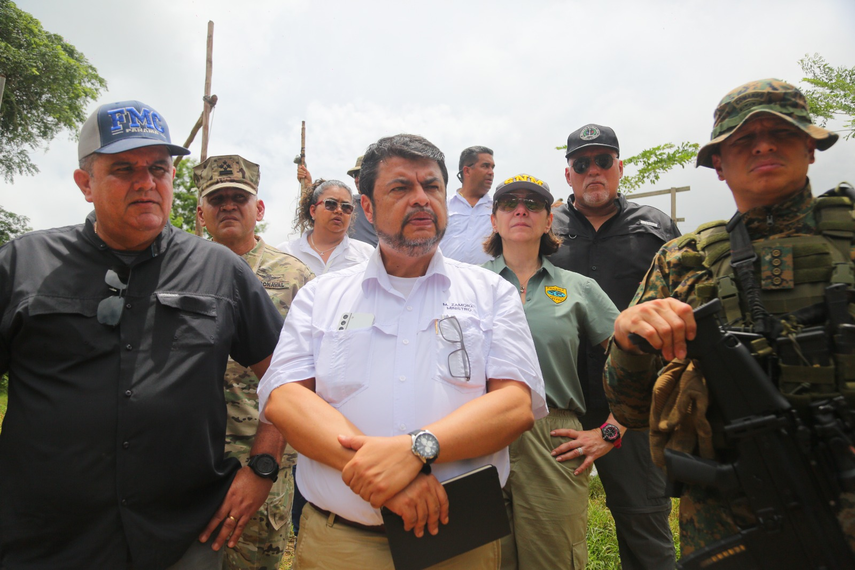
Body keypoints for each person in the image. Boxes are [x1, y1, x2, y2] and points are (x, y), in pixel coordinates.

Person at [0, 101, 287, 569]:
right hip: (46, 537)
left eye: (159, 168)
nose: (147, 183)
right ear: (84, 183)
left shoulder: (220, 270)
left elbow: (286, 372)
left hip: (184, 534)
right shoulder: (23, 265)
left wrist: (262, 468)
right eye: (124, 169)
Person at [257, 134, 547, 570]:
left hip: (457, 540)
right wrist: (385, 478)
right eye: (400, 188)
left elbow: (514, 405)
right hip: (342, 544)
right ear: (368, 208)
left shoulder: (491, 293)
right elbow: (286, 398)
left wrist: (416, 449)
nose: (421, 200)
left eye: (431, 187)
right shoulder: (322, 295)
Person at [604, 79, 854, 557]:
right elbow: (631, 411)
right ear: (718, 164)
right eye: (743, 139)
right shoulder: (682, 260)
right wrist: (627, 340)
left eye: (780, 132)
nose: (763, 144)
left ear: (810, 146)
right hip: (729, 526)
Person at [550, 123, 680, 569]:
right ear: (569, 174)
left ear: (619, 167)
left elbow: (683, 310)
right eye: (581, 163)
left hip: (636, 402)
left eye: (603, 161)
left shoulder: (655, 226)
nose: (593, 171)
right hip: (560, 400)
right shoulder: (547, 228)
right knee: (548, 526)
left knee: (643, 519)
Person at [481, 174, 619, 569]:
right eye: (509, 203)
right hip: (477, 436)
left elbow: (635, 360)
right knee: (484, 560)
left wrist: (613, 429)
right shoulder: (465, 286)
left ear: (548, 221)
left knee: (556, 561)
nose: (520, 209)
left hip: (553, 438)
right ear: (494, 221)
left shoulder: (579, 288)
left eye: (533, 204)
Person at [195, 154, 313, 570]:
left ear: (258, 209)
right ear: (201, 212)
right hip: (192, 454)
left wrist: (266, 463)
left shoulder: (295, 276)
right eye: (218, 199)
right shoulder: (179, 271)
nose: (228, 205)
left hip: (263, 453)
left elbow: (310, 371)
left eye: (239, 198)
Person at [278, 176, 374, 275]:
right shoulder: (286, 253)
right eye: (331, 204)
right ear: (313, 210)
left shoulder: (366, 254)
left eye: (346, 207)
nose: (339, 211)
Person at [439, 146, 496, 264]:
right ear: (467, 171)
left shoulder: (497, 209)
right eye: (485, 166)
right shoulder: (443, 206)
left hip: (485, 279)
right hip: (446, 278)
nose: (491, 172)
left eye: (492, 167)